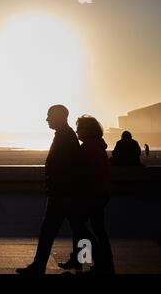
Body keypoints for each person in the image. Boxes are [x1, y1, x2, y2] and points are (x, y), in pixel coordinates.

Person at [16, 105, 92, 275]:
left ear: (59, 117)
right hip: (65, 193)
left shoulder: (65, 137)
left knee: (50, 231)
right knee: (79, 229)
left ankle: (40, 265)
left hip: (62, 194)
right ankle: (83, 262)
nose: (47, 119)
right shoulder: (66, 135)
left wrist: (62, 192)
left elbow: (66, 167)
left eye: (49, 116)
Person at [58, 115, 115, 274]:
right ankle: (89, 261)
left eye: (79, 128)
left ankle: (96, 261)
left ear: (86, 130)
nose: (76, 131)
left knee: (81, 228)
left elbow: (84, 174)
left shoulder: (87, 149)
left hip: (90, 194)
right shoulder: (98, 146)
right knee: (96, 229)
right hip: (100, 193)